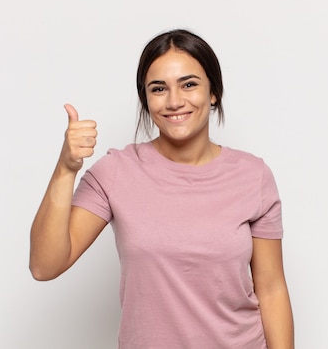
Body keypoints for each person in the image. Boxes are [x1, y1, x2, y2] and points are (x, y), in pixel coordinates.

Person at [30, 28, 294, 348]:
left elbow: (271, 288)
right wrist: (65, 170)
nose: (174, 101)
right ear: (147, 99)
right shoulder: (116, 172)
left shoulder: (253, 176)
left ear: (213, 92)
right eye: (159, 89)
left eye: (189, 84)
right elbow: (45, 266)